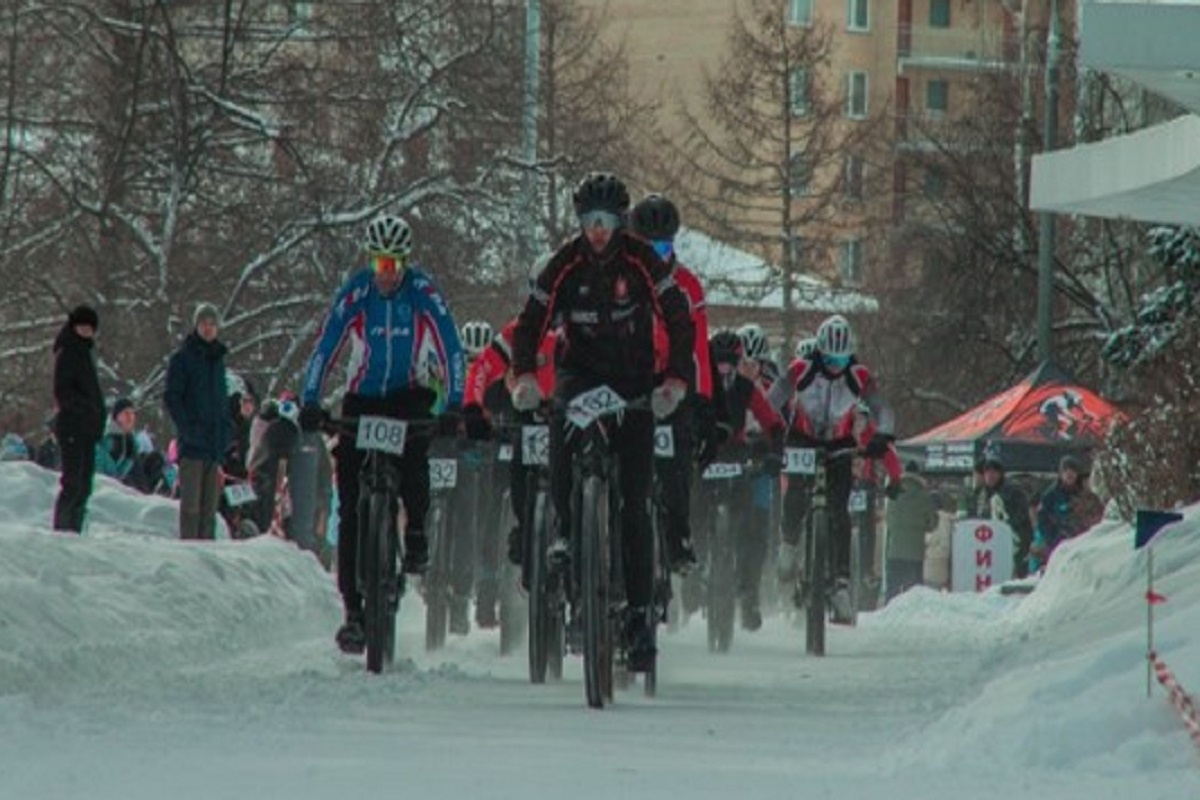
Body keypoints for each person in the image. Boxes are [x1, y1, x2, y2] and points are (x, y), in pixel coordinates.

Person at [510, 172, 694, 672]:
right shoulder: (563, 264)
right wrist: (524, 377)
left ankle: (638, 617)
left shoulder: (641, 260)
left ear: (620, 222)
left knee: (636, 504)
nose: (597, 231)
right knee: (561, 432)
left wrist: (674, 383)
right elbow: (529, 323)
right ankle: (569, 535)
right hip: (581, 376)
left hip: (634, 381)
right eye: (589, 222)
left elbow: (679, 320)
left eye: (606, 222)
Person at [300, 213, 466, 654]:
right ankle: (354, 612)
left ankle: (415, 538)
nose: (387, 273)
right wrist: (311, 400)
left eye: (394, 264)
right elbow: (326, 345)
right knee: (352, 507)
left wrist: (453, 403)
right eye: (380, 264)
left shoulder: (423, 291)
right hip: (364, 399)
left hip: (407, 394)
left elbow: (451, 346)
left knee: (415, 461)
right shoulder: (356, 292)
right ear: (371, 261)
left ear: (406, 262)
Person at [769, 313, 895, 624]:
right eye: (830, 359)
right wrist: (766, 430)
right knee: (795, 494)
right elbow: (774, 398)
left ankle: (840, 583)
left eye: (841, 359)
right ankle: (788, 543)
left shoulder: (859, 375)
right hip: (803, 438)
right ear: (820, 353)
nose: (836, 366)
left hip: (839, 444)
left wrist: (884, 434)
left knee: (839, 510)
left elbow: (881, 407)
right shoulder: (801, 369)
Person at [631, 192, 712, 575]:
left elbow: (698, 350)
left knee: (678, 459)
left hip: (671, 380)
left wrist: (705, 405)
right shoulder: (622, 278)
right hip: (627, 375)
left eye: (664, 246)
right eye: (649, 246)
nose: (657, 254)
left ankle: (678, 537)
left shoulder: (688, 286)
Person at [700, 329, 786, 630]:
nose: (723, 368)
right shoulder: (700, 384)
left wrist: (775, 452)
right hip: (704, 458)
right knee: (686, 511)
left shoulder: (748, 389)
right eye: (717, 362)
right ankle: (687, 573)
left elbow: (774, 422)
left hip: (739, 459)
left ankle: (748, 592)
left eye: (729, 363)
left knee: (753, 527)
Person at [165, 302, 232, 540]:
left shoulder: (218, 361)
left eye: (212, 324)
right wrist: (187, 429)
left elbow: (223, 403)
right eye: (204, 323)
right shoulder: (183, 359)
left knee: (209, 510)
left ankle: (206, 557)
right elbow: (173, 398)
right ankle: (189, 556)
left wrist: (226, 434)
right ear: (196, 325)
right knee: (191, 508)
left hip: (214, 447)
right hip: (193, 445)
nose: (208, 328)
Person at [51, 305, 105, 533]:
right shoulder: (70, 351)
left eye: (89, 328)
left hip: (87, 429)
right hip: (73, 426)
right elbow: (63, 390)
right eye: (82, 327)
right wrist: (84, 410)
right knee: (73, 482)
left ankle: (74, 527)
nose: (85, 331)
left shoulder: (84, 353)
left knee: (84, 484)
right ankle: (64, 528)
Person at [1029, 454, 1104, 572]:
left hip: (1081, 543)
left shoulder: (1086, 496)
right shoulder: (1050, 496)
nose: (1069, 474)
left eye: (1072, 471)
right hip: (1056, 544)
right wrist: (1053, 539)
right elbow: (1042, 520)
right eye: (1066, 471)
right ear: (1061, 474)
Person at [968, 450, 1033, 579]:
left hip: (1014, 544)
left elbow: (1021, 517)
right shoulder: (982, 495)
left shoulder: (1013, 492)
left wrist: (1006, 528)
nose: (990, 476)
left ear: (1000, 473)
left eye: (994, 472)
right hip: (989, 546)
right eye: (987, 472)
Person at [883, 464, 937, 602]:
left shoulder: (893, 493)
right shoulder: (925, 496)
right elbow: (932, 523)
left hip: (894, 551)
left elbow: (888, 520)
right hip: (915, 554)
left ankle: (888, 620)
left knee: (892, 593)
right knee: (912, 597)